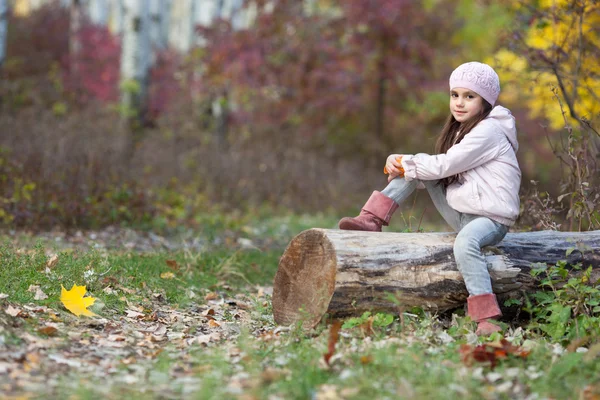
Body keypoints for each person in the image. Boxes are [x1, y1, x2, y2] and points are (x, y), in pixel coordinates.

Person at [338, 61, 521, 336]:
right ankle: (371, 218)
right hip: (465, 212)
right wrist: (407, 167)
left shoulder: (489, 132)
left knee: (466, 242)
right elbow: (438, 169)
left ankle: (487, 318)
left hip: (490, 219)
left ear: (485, 102)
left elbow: (446, 165)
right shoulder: (464, 129)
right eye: (455, 95)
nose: (459, 103)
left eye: (469, 97)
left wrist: (403, 161)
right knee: (415, 169)